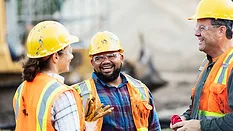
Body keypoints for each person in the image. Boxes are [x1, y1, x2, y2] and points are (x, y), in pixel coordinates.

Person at [12, 21, 113, 131]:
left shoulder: (21, 89)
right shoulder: (62, 95)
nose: (71, 56)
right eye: (69, 51)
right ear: (55, 57)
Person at [73, 31, 161, 130]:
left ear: (121, 57)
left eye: (111, 56)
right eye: (99, 58)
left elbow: (154, 127)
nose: (106, 61)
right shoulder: (79, 94)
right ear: (92, 62)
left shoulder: (140, 89)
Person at [170, 0, 233, 131]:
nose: (196, 33)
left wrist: (200, 126)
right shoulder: (207, 63)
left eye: (202, 28)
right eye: (196, 27)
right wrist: (186, 118)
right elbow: (201, 108)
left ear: (221, 31)